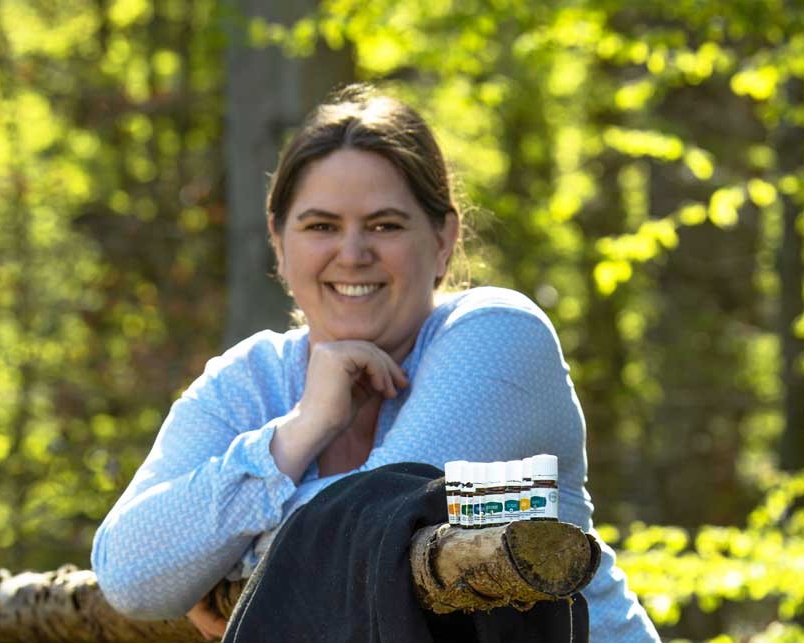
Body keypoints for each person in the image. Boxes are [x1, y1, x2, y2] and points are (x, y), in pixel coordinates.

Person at [91, 84, 661, 642]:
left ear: (443, 239)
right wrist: (300, 431)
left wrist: (208, 554)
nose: (354, 252)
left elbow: (372, 528)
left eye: (386, 225)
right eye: (321, 226)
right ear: (279, 244)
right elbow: (129, 575)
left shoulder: (497, 336)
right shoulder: (251, 380)